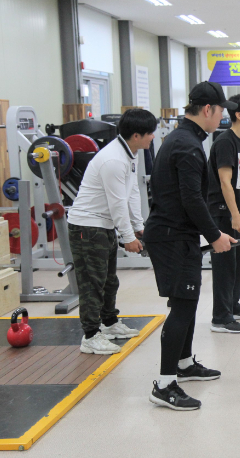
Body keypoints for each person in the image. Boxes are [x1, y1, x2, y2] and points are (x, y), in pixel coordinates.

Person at [143, 81, 237, 411]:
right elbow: (191, 198)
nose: (223, 116)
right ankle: (165, 385)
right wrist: (215, 236)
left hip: (177, 233)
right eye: (221, 110)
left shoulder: (186, 139)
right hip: (171, 236)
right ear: (208, 110)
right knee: (182, 306)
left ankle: (184, 364)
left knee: (189, 300)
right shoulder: (187, 145)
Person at [68, 109, 156, 355]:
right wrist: (128, 237)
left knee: (109, 281)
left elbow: (132, 191)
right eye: (150, 133)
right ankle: (90, 336)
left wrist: (139, 226)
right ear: (136, 135)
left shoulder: (131, 153)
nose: (153, 137)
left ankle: (109, 323)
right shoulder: (113, 160)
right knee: (92, 283)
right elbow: (117, 203)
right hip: (87, 227)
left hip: (102, 225)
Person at [207, 94, 240, 334]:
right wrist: (234, 215)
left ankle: (232, 305)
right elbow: (225, 183)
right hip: (221, 212)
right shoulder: (225, 141)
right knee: (225, 265)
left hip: (234, 212)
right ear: (239, 114)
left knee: (238, 263)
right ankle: (221, 317)